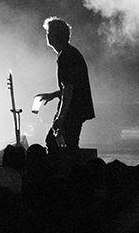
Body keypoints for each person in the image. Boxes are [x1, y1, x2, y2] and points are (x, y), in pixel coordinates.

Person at [34, 16, 95, 155]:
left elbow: (69, 89)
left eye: (48, 32)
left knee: (56, 143)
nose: (47, 36)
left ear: (56, 36)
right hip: (77, 109)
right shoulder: (69, 53)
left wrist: (60, 118)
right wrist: (54, 95)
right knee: (66, 145)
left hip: (73, 110)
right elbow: (72, 85)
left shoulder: (65, 56)